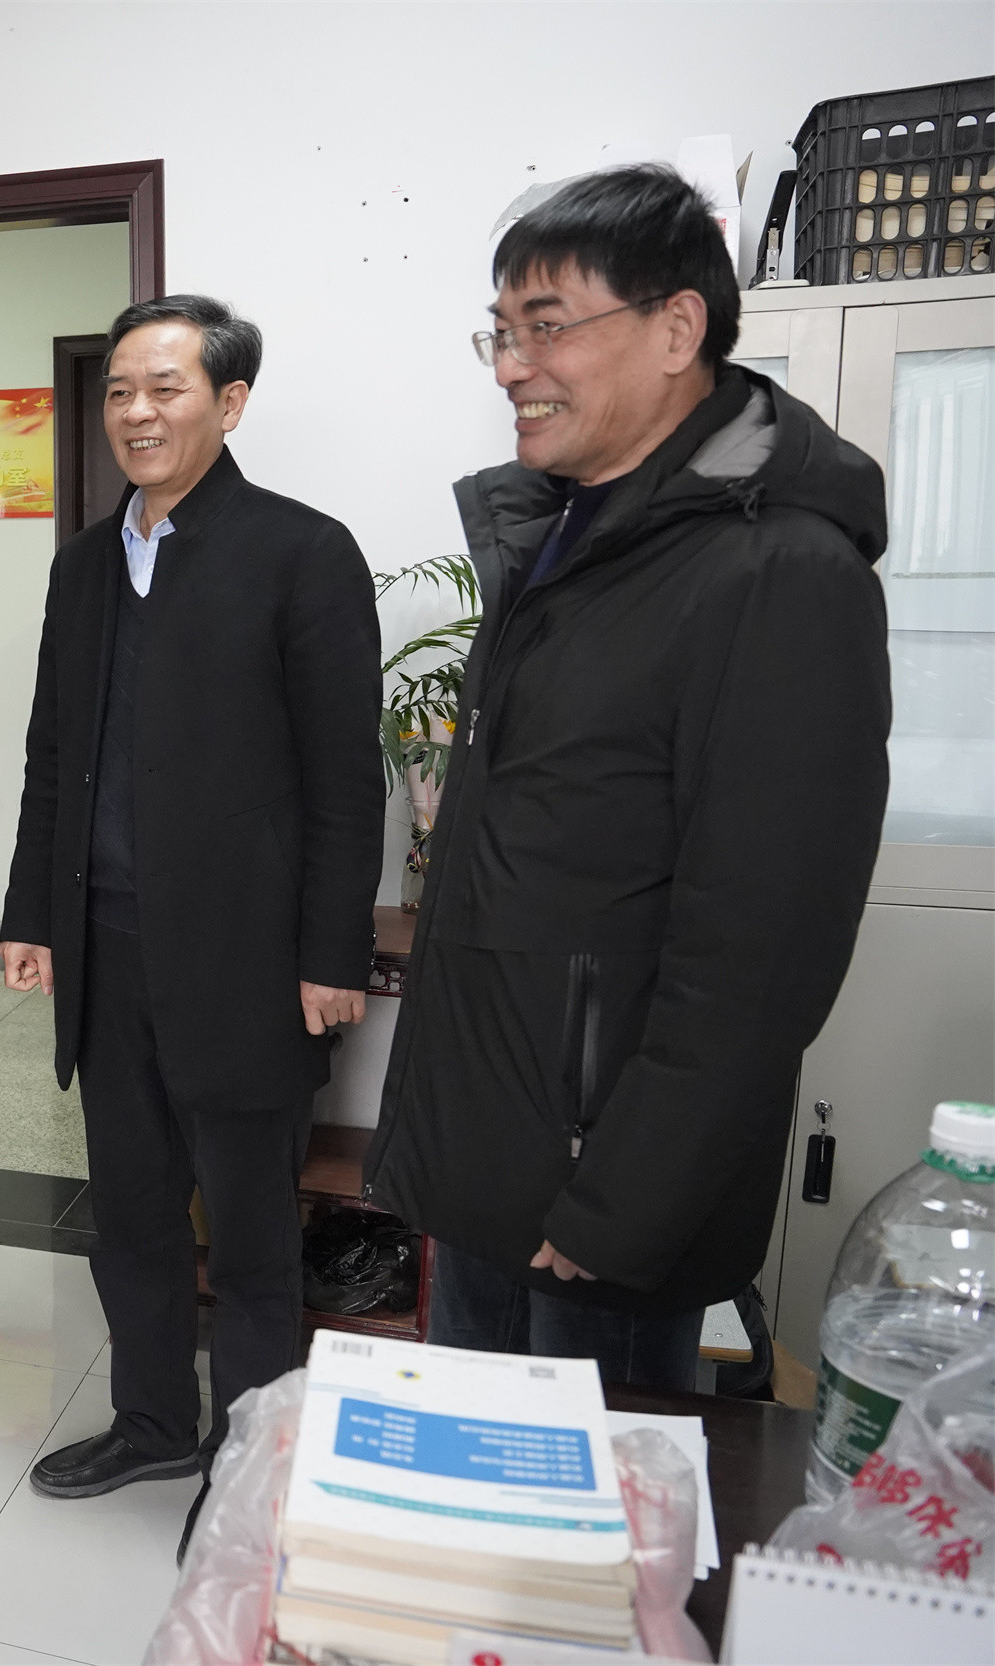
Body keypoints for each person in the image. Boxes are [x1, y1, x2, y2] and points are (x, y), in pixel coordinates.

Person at [366, 165, 892, 1389]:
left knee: (592, 1502)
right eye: (501, 332)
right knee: (474, 1479)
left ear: (675, 329)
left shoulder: (778, 574)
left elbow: (760, 950)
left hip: (600, 1196)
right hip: (492, 1160)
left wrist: (624, 1204)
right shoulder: (559, 543)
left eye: (547, 325)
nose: (512, 366)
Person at [0, 295, 384, 1499]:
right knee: (131, 1218)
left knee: (254, 1234)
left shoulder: (301, 553)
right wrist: (30, 912)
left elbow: (344, 777)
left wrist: (332, 954)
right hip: (106, 949)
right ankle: (153, 1420)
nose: (135, 411)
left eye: (163, 387)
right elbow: (52, 756)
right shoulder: (82, 567)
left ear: (230, 402)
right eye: (118, 389)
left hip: (246, 961)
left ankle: (253, 1456)